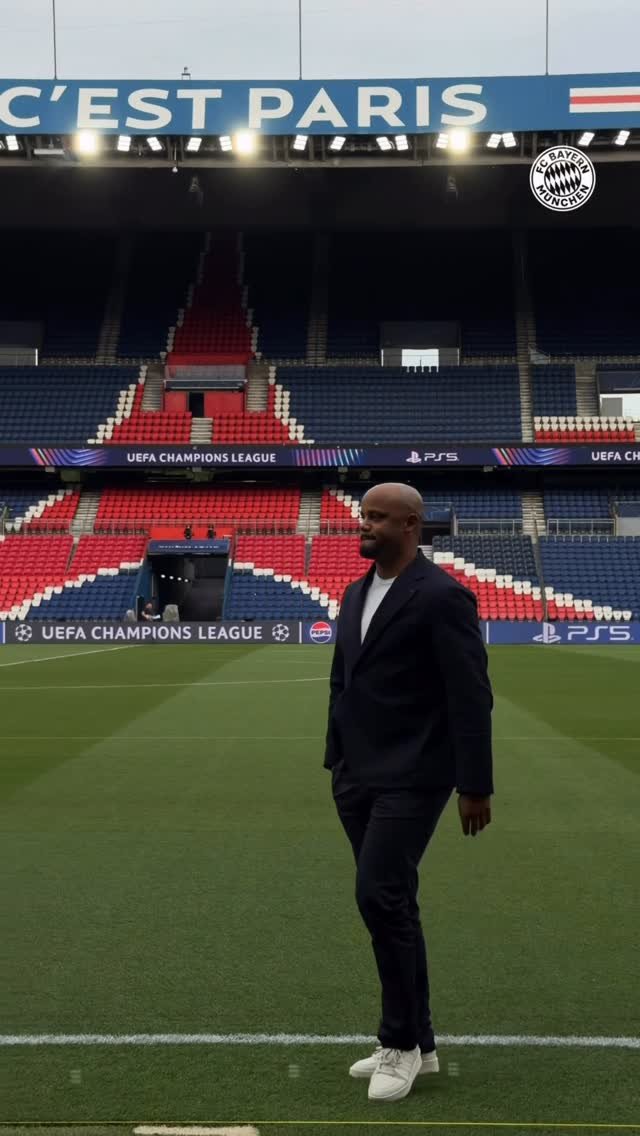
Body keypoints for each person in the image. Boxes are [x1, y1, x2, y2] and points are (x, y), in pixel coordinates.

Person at [325, 482, 493, 1104]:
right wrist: (336, 758)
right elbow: (343, 678)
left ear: (411, 525)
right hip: (356, 774)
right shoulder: (354, 591)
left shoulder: (443, 595)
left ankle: (397, 1043)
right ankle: (419, 1044)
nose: (362, 524)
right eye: (362, 514)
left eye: (376, 517)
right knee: (392, 905)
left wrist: (475, 785)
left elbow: (471, 695)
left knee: (380, 896)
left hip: (415, 775)